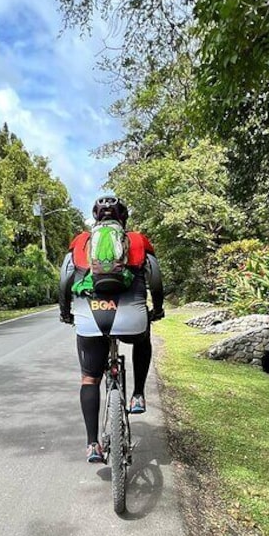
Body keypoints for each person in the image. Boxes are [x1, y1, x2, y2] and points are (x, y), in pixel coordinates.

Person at [59, 195, 165, 463]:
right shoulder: (138, 240)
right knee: (143, 338)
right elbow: (155, 277)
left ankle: (92, 444)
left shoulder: (81, 242)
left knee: (89, 379)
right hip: (131, 318)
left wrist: (65, 313)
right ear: (123, 219)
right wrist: (158, 309)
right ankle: (138, 395)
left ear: (96, 218)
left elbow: (64, 281)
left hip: (90, 318)